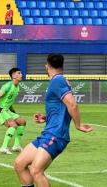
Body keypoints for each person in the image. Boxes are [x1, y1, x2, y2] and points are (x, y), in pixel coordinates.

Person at [14, 54, 93, 187]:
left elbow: (72, 105)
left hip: (56, 135)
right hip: (48, 133)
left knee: (36, 170)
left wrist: (78, 125)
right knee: (19, 164)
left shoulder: (57, 81)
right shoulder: (59, 80)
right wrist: (46, 118)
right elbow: (61, 108)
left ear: (47, 66)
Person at [0, 68, 26, 154]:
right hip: (0, 109)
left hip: (7, 110)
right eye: (19, 73)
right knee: (13, 125)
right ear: (14, 76)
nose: (21, 75)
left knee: (22, 122)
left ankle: (16, 146)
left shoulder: (17, 87)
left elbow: (9, 101)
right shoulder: (7, 86)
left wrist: (13, 111)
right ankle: (3, 147)